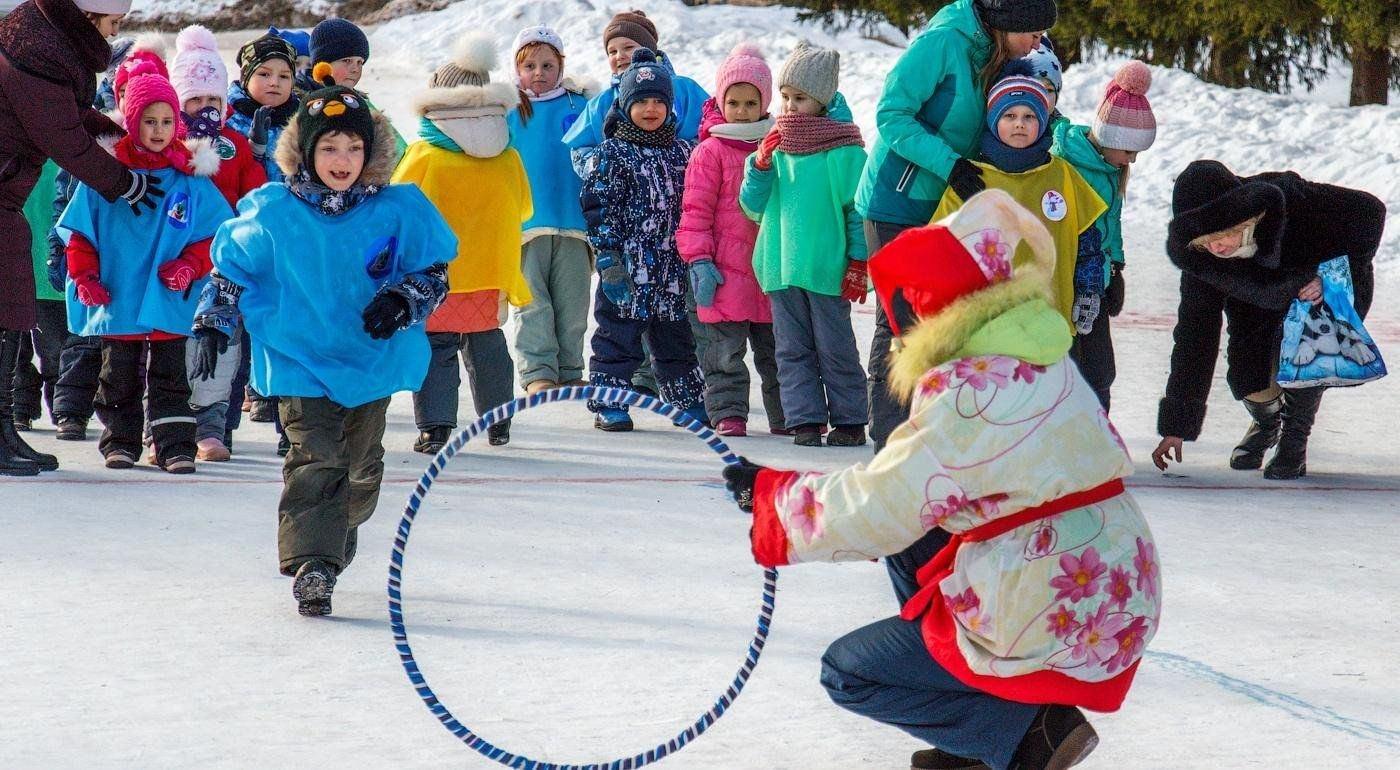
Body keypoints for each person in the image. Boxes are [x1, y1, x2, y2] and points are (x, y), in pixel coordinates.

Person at [723, 190, 1160, 770]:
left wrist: (775, 502)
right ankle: (976, 739)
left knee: (850, 673)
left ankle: (1025, 734)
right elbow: (906, 486)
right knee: (915, 542)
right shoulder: (1037, 361)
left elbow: (880, 505)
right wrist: (783, 488)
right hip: (1119, 576)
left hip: (1066, 602)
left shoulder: (968, 393)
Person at [194, 68, 456, 616]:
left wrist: (404, 297)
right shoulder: (275, 211)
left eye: (354, 147)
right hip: (299, 359)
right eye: (330, 147)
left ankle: (338, 527)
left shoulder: (397, 209)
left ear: (371, 154)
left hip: (369, 362)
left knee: (359, 469)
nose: (342, 159)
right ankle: (314, 564)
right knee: (315, 458)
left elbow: (435, 270)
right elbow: (230, 269)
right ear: (306, 152)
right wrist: (215, 317)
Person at [856, 0, 1057, 454]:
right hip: (898, 199)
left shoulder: (998, 53)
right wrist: (949, 165)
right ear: (1008, 21)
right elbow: (891, 114)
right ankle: (890, 440)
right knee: (902, 321)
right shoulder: (944, 42)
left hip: (948, 203)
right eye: (1034, 31)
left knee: (942, 319)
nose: (1038, 42)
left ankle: (931, 431)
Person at [0, 0, 166, 476]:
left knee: (10, 302)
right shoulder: (37, 52)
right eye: (114, 22)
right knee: (10, 302)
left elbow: (74, 114)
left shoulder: (43, 39)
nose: (115, 32)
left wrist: (121, 138)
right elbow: (65, 139)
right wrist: (127, 182)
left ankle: (4, 428)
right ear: (89, 15)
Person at [1152, 160, 1384, 480]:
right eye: (1205, 240)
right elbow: (1195, 337)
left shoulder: (1292, 202)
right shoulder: (1203, 260)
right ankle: (1267, 422)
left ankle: (1294, 439)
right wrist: (1177, 426)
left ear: (1240, 217)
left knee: (1309, 335)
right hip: (1257, 303)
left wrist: (1333, 277)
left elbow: (1370, 212)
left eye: (1222, 234)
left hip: (1318, 293)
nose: (1216, 246)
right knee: (1249, 376)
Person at [57, 71, 232, 473]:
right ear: (132, 121)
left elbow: (215, 236)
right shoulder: (107, 175)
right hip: (118, 294)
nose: (159, 130)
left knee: (172, 375)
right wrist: (84, 278)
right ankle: (120, 441)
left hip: (170, 296)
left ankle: (175, 446)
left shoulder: (190, 180)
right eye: (149, 121)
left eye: (167, 121)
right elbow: (81, 235)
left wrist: (189, 266)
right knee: (118, 374)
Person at [393, 37, 532, 452]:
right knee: (487, 342)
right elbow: (525, 207)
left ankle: (435, 427)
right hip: (490, 272)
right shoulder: (508, 157)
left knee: (438, 346)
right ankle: (498, 420)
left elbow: (399, 207)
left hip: (438, 273)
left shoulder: (424, 155)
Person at [740, 42, 868, 448]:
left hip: (826, 269)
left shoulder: (844, 151)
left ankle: (849, 420)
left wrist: (858, 260)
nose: (790, 107)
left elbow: (856, 211)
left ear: (824, 100)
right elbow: (751, 206)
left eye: (801, 98)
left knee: (835, 347)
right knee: (791, 351)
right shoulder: (774, 146)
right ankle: (805, 419)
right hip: (780, 267)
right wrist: (758, 167)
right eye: (786, 97)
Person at [581, 48, 705, 432]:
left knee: (675, 339)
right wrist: (608, 257)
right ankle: (611, 401)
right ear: (625, 105)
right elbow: (598, 206)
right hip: (628, 266)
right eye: (641, 101)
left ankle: (686, 400)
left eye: (658, 102)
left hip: (670, 267)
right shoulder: (612, 154)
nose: (650, 109)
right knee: (618, 336)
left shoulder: (683, 153)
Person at [933, 69, 1105, 325]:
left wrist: (1089, 290)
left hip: (1049, 317)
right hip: (985, 322)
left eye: (1030, 116)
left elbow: (1088, 243)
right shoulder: (971, 177)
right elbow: (940, 247)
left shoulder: (1063, 174)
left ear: (1043, 121)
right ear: (993, 121)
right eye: (1009, 115)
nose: (1019, 123)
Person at [170, 23, 268, 461]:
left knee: (221, 345)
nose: (205, 107)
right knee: (172, 345)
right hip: (171, 261)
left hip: (222, 265)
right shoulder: (166, 142)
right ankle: (167, 428)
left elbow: (255, 196)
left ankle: (212, 428)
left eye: (213, 99)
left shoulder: (235, 144)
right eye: (194, 99)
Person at [677, 43, 783, 438]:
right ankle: (728, 412)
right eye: (733, 102)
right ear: (722, 103)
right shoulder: (710, 151)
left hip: (770, 267)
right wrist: (699, 260)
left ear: (764, 102)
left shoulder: (778, 145)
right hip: (723, 271)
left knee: (777, 351)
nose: (741, 111)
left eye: (750, 102)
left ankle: (786, 414)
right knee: (723, 353)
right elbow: (695, 212)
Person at [1051, 60, 1157, 410]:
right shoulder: (1068, 161)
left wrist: (1117, 265)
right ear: (1110, 137)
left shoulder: (1112, 169)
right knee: (1070, 363)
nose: (1132, 161)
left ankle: (1099, 433)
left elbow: (1113, 221)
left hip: (1097, 278)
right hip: (1066, 278)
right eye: (1129, 151)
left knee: (1100, 368)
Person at [506, 25, 595, 396]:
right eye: (530, 66)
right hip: (526, 224)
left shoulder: (580, 105)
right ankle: (538, 370)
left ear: (561, 66)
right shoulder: (509, 111)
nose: (539, 73)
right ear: (517, 69)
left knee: (573, 304)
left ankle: (571, 368)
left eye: (547, 65)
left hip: (573, 221)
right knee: (532, 303)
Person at [561, 9, 708, 177]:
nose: (619, 56)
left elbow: (710, 129)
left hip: (684, 188)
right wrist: (604, 170)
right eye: (612, 51)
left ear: (649, 51)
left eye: (628, 47)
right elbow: (580, 148)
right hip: (628, 196)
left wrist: (687, 155)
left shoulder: (683, 88)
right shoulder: (602, 102)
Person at [308, 18, 406, 157]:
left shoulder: (360, 103)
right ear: (322, 65)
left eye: (360, 62)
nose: (355, 69)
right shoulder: (309, 108)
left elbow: (398, 151)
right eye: (347, 61)